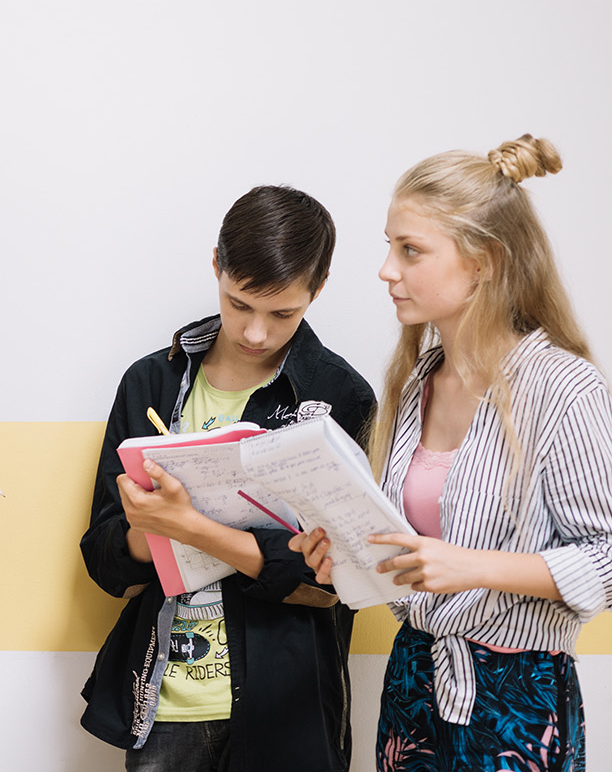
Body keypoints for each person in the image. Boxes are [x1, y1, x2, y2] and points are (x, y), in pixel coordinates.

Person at [293, 135, 612, 772]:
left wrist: (471, 567)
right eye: (390, 245)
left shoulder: (564, 388)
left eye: (410, 250)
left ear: (485, 261)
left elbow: (605, 559)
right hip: (413, 682)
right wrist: (344, 554)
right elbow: (412, 555)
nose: (387, 269)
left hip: (518, 697)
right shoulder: (416, 382)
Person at [80, 185, 376, 772]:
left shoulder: (339, 396)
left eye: (283, 313)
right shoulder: (150, 383)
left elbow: (336, 579)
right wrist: (147, 527)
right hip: (163, 703)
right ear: (216, 265)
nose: (257, 333)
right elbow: (102, 558)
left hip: (286, 705)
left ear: (317, 289)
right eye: (239, 303)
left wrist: (188, 525)